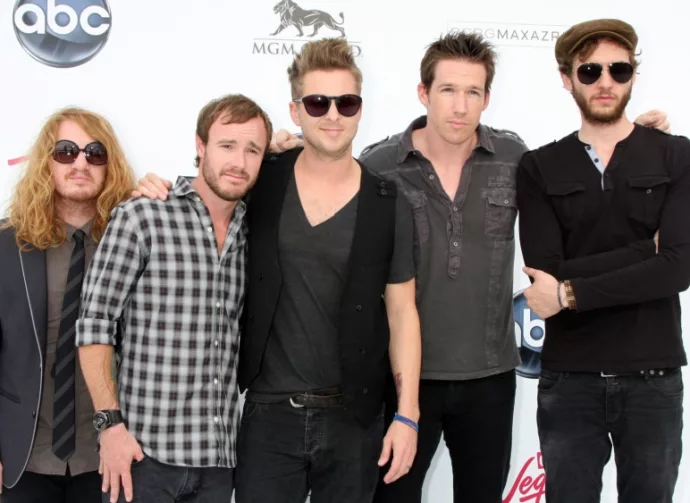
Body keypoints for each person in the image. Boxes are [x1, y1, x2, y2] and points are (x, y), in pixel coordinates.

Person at [268, 31, 670, 503]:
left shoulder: (515, 159)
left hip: (491, 380)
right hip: (401, 382)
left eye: (472, 92)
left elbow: (577, 186)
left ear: (487, 98)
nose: (459, 106)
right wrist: (282, 151)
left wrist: (630, 139)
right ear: (423, 93)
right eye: (447, 90)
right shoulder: (381, 164)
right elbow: (327, 173)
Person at [134, 38, 422, 503]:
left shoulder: (389, 202)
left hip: (356, 417)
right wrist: (155, 187)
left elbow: (403, 312)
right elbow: (212, 181)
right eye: (317, 102)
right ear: (296, 110)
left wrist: (407, 415)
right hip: (269, 415)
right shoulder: (261, 178)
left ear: (360, 109)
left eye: (346, 102)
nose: (333, 114)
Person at [517, 18, 689, 503]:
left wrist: (571, 292)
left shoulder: (676, 156)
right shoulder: (539, 166)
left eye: (619, 69)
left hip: (653, 380)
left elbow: (678, 268)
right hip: (570, 381)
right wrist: (647, 252)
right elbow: (545, 273)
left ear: (634, 75)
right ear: (567, 78)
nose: (606, 82)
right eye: (590, 71)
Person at [75, 94, 272, 503]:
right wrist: (109, 426)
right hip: (144, 459)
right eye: (226, 145)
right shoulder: (143, 216)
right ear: (200, 147)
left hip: (218, 464)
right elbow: (95, 325)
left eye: (253, 149)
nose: (239, 160)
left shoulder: (256, 228)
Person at [0, 107, 136, 502]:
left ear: (109, 165)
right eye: (66, 151)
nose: (81, 162)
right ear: (47, 162)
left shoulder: (133, 241)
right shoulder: (7, 245)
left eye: (95, 153)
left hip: (110, 457)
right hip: (23, 456)